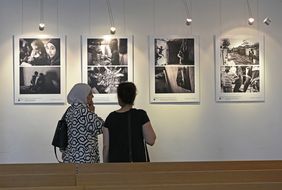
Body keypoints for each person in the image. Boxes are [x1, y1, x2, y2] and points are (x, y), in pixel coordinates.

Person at [103, 82, 156, 162]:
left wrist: (106, 167)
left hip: (115, 165)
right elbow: (151, 140)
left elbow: (106, 147)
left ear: (119, 97)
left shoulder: (110, 117)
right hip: (137, 165)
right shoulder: (140, 115)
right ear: (134, 96)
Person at [61, 83, 104, 163]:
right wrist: (92, 112)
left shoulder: (70, 110)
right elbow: (101, 127)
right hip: (84, 158)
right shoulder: (83, 110)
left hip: (71, 156)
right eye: (90, 94)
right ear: (83, 95)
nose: (92, 96)